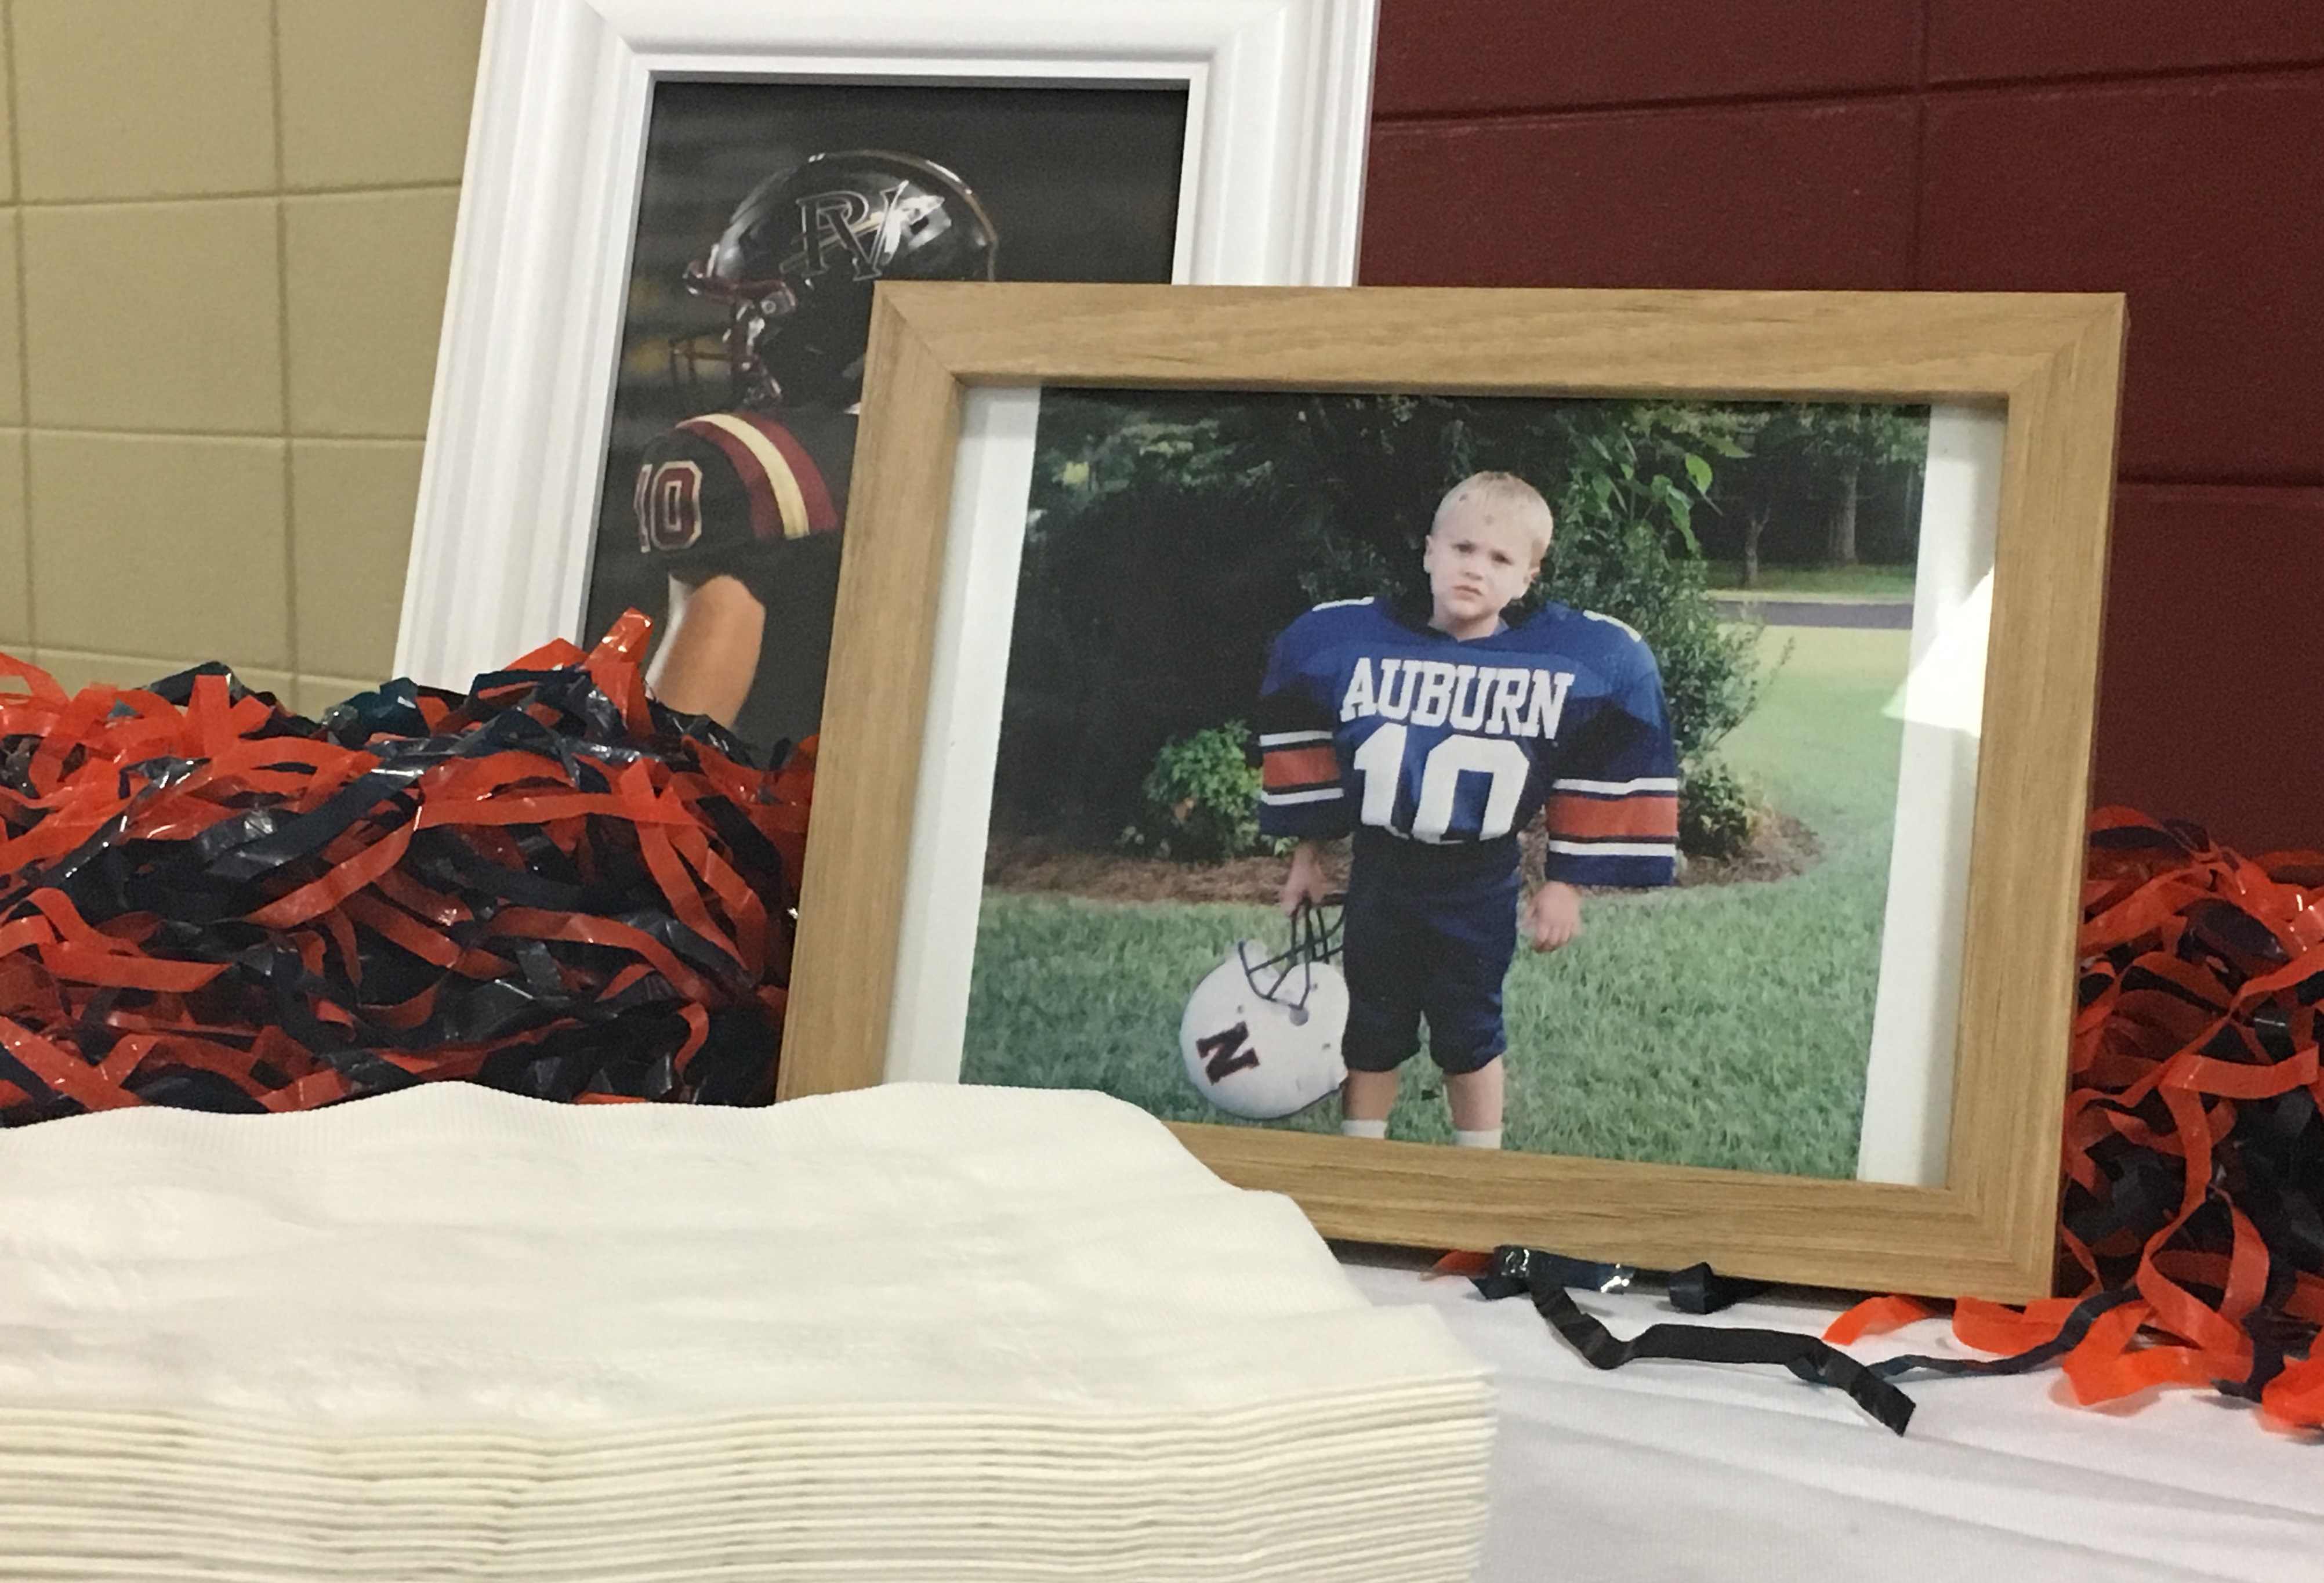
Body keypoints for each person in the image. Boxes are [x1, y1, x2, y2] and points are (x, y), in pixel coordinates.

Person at [1256, 471, 1680, 1149]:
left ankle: (1478, 1168)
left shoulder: (1569, 659)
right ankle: (1361, 1156)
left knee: (1470, 1032)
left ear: (1528, 576)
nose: (1474, 568)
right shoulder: (1344, 642)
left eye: (1499, 558)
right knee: (1370, 1025)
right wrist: (1307, 857)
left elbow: (1600, 762)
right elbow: (1313, 744)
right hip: (1381, 871)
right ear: (1428, 551)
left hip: (1479, 878)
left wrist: (1562, 883)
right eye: (1461, 548)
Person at [636, 150, 1000, 756]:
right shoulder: (1000, 456)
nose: (737, 335)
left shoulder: (749, 461)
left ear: (829, 316)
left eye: (756, 308)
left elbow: (671, 761)